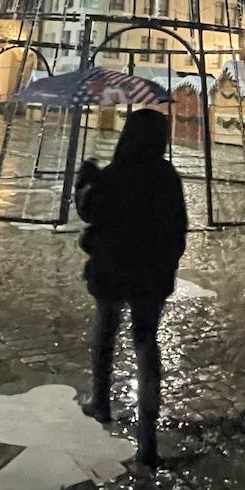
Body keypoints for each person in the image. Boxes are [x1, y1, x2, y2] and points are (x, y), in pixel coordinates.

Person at [75, 106, 187, 469]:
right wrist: (167, 263)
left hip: (112, 270)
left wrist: (85, 180)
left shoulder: (115, 173)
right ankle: (147, 441)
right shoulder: (167, 176)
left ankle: (100, 402)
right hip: (151, 275)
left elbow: (89, 211)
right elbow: (179, 228)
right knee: (146, 345)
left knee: (105, 333)